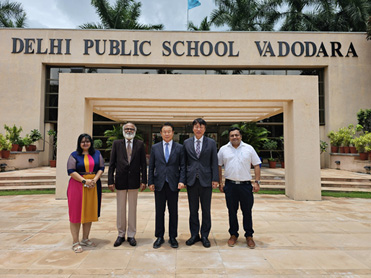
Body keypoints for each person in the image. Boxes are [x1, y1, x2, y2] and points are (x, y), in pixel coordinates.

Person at [218, 127, 261, 249]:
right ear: (229, 137)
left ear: (240, 136)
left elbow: (257, 165)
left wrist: (257, 182)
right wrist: (221, 183)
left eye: (236, 135)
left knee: (247, 212)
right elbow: (219, 166)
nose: (234, 137)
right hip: (230, 186)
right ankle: (233, 235)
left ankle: (249, 236)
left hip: (245, 186)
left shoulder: (249, 148)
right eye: (232, 135)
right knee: (232, 211)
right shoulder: (223, 150)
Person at [108, 122, 147, 247]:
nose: (129, 130)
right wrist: (110, 181)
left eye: (131, 129)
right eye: (127, 128)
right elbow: (112, 163)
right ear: (123, 130)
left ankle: (131, 235)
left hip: (134, 181)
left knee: (132, 209)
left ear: (134, 131)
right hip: (120, 180)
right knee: (120, 209)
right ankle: (120, 234)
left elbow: (143, 165)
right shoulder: (116, 144)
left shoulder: (140, 144)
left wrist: (144, 181)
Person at [148, 122, 186, 249]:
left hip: (173, 184)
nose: (167, 133)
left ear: (173, 133)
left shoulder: (179, 148)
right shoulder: (155, 147)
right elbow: (151, 166)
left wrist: (181, 180)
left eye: (169, 131)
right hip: (159, 184)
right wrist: (150, 181)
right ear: (161, 133)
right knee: (159, 211)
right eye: (164, 131)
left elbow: (183, 166)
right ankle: (159, 237)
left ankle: (173, 237)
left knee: (173, 212)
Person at [183, 118, 219, 248]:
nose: (198, 129)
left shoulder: (211, 143)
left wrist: (215, 179)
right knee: (193, 210)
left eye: (201, 127)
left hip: (206, 180)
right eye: (196, 126)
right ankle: (194, 235)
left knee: (206, 210)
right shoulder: (186, 143)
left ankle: (204, 235)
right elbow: (184, 163)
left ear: (204, 129)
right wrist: (183, 179)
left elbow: (214, 161)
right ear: (193, 128)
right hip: (191, 180)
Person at [67, 133, 105, 253]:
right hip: (77, 186)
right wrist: (84, 180)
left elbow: (101, 168)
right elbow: (71, 171)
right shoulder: (74, 155)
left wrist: (94, 180)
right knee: (76, 214)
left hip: (93, 186)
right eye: (83, 141)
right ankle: (75, 241)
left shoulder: (97, 154)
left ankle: (85, 238)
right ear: (79, 143)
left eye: (87, 141)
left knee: (89, 212)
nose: (85, 143)